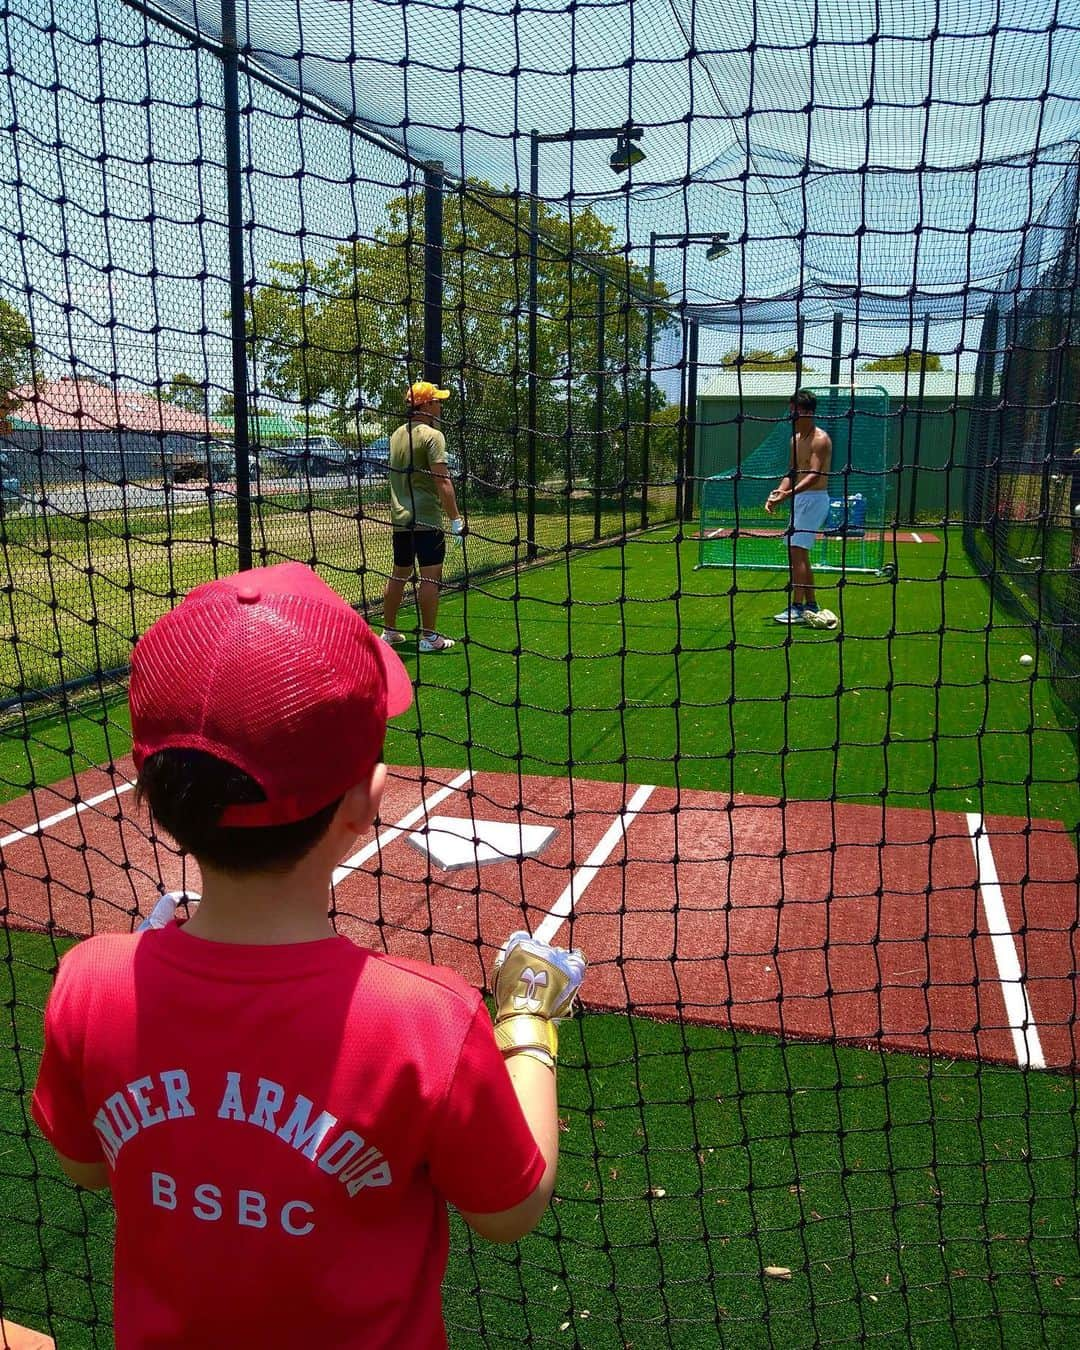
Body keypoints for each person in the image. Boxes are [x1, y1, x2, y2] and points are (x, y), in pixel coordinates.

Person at [31, 561, 585, 1349]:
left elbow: (88, 1165)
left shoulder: (91, 981)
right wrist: (528, 1025)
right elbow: (510, 1209)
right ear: (366, 802)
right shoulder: (426, 1019)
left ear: (152, 792)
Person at [381, 380, 464, 653]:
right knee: (430, 578)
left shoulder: (396, 434)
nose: (440, 405)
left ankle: (389, 631)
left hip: (400, 520)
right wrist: (455, 519)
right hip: (427, 519)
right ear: (426, 404)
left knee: (399, 574)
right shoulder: (432, 435)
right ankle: (429, 638)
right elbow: (443, 481)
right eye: (437, 401)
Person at [764, 388, 833, 624]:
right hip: (800, 500)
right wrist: (779, 492)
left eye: (794, 409)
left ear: (807, 412)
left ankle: (797, 608)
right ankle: (811, 605)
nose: (790, 414)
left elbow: (814, 475)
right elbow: (792, 473)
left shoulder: (820, 440)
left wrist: (787, 495)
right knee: (800, 554)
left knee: (797, 554)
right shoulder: (794, 440)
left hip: (815, 500)